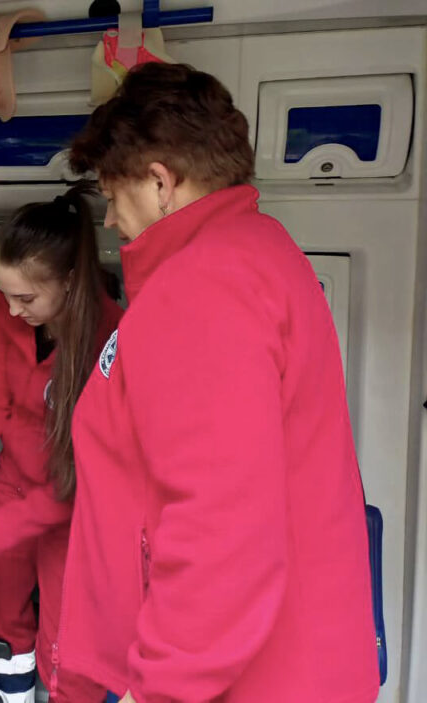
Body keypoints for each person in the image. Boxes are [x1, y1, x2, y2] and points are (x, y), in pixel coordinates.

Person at [53, 62, 379, 703]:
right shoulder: (259, 250)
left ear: (159, 182)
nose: (112, 221)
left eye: (111, 196)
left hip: (241, 680)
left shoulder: (200, 288)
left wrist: (161, 689)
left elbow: (219, 530)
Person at [0, 187, 123, 703]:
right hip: (13, 487)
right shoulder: (2, 314)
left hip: (76, 509)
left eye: (26, 299)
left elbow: (85, 482)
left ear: (71, 282)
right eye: (4, 295)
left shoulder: (113, 336)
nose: (11, 311)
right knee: (1, 620)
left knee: (70, 641)